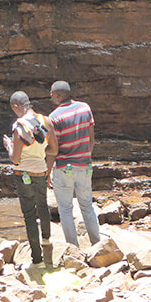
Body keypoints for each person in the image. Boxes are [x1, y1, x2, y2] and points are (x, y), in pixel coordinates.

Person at [3, 91, 58, 265]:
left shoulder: (19, 126)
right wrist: (40, 152)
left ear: (17, 106)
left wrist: (8, 146)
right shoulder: (46, 121)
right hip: (41, 171)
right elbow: (53, 150)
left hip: (23, 174)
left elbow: (15, 158)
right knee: (42, 205)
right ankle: (46, 240)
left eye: (14, 109)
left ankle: (36, 257)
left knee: (29, 214)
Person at [48, 80, 100, 247]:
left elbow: (54, 150)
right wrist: (86, 157)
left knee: (65, 209)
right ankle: (97, 244)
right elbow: (91, 139)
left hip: (64, 168)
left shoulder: (54, 117)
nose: (50, 96)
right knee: (87, 206)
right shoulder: (85, 108)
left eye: (51, 93)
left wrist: (47, 172)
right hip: (85, 164)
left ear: (58, 95)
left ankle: (73, 248)